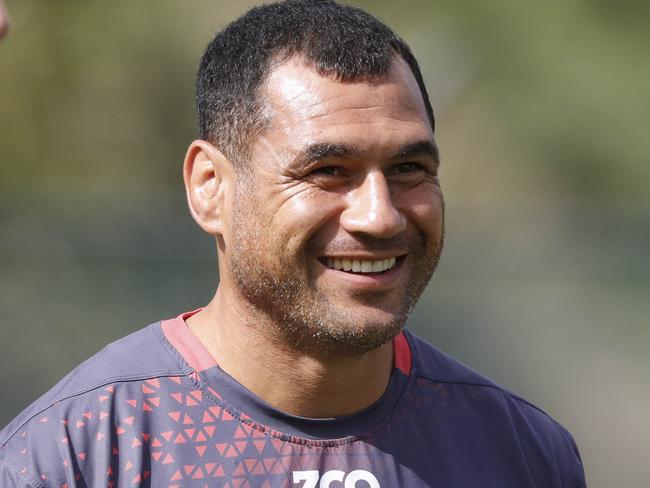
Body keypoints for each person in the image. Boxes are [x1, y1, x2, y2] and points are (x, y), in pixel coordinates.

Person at [0, 1, 586, 486]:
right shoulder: (78, 452)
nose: (380, 217)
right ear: (211, 188)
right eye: (328, 170)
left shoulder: (521, 454)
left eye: (409, 168)